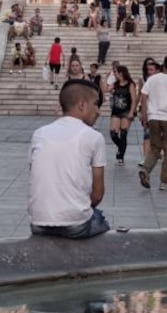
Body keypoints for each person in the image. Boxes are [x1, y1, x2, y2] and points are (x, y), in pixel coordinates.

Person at [28, 79, 109, 239]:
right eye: (95, 104)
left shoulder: (39, 133)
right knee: (101, 221)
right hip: (76, 224)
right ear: (81, 105)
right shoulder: (93, 137)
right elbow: (98, 194)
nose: (98, 111)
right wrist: (75, 211)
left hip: (38, 222)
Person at [138, 55, 167, 191]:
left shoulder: (153, 79)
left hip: (153, 116)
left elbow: (144, 96)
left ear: (163, 64)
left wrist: (144, 115)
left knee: (155, 146)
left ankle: (146, 169)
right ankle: (165, 181)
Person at [109, 65, 138, 165]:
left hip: (126, 111)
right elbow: (105, 89)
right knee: (113, 134)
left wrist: (131, 112)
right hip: (116, 111)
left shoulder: (130, 84)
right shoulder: (115, 84)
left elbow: (134, 100)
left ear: (121, 73)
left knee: (123, 133)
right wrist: (106, 78)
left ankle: (120, 157)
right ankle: (121, 147)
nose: (115, 74)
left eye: (116, 72)